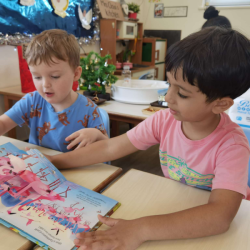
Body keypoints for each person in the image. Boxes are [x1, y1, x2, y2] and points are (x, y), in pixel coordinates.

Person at [49, 27, 250, 249]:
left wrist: (140, 228)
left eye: (182, 93)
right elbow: (109, 148)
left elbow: (219, 216)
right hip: (176, 205)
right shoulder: (164, 120)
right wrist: (52, 163)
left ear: (220, 104)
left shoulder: (233, 145)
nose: (168, 97)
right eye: (169, 84)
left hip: (216, 225)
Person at [0, 29, 108, 152]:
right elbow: (3, 123)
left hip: (75, 168)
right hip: (40, 167)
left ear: (76, 74)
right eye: (37, 77)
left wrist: (96, 134)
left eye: (55, 76)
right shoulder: (31, 101)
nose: (45, 85)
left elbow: (107, 148)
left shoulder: (89, 109)